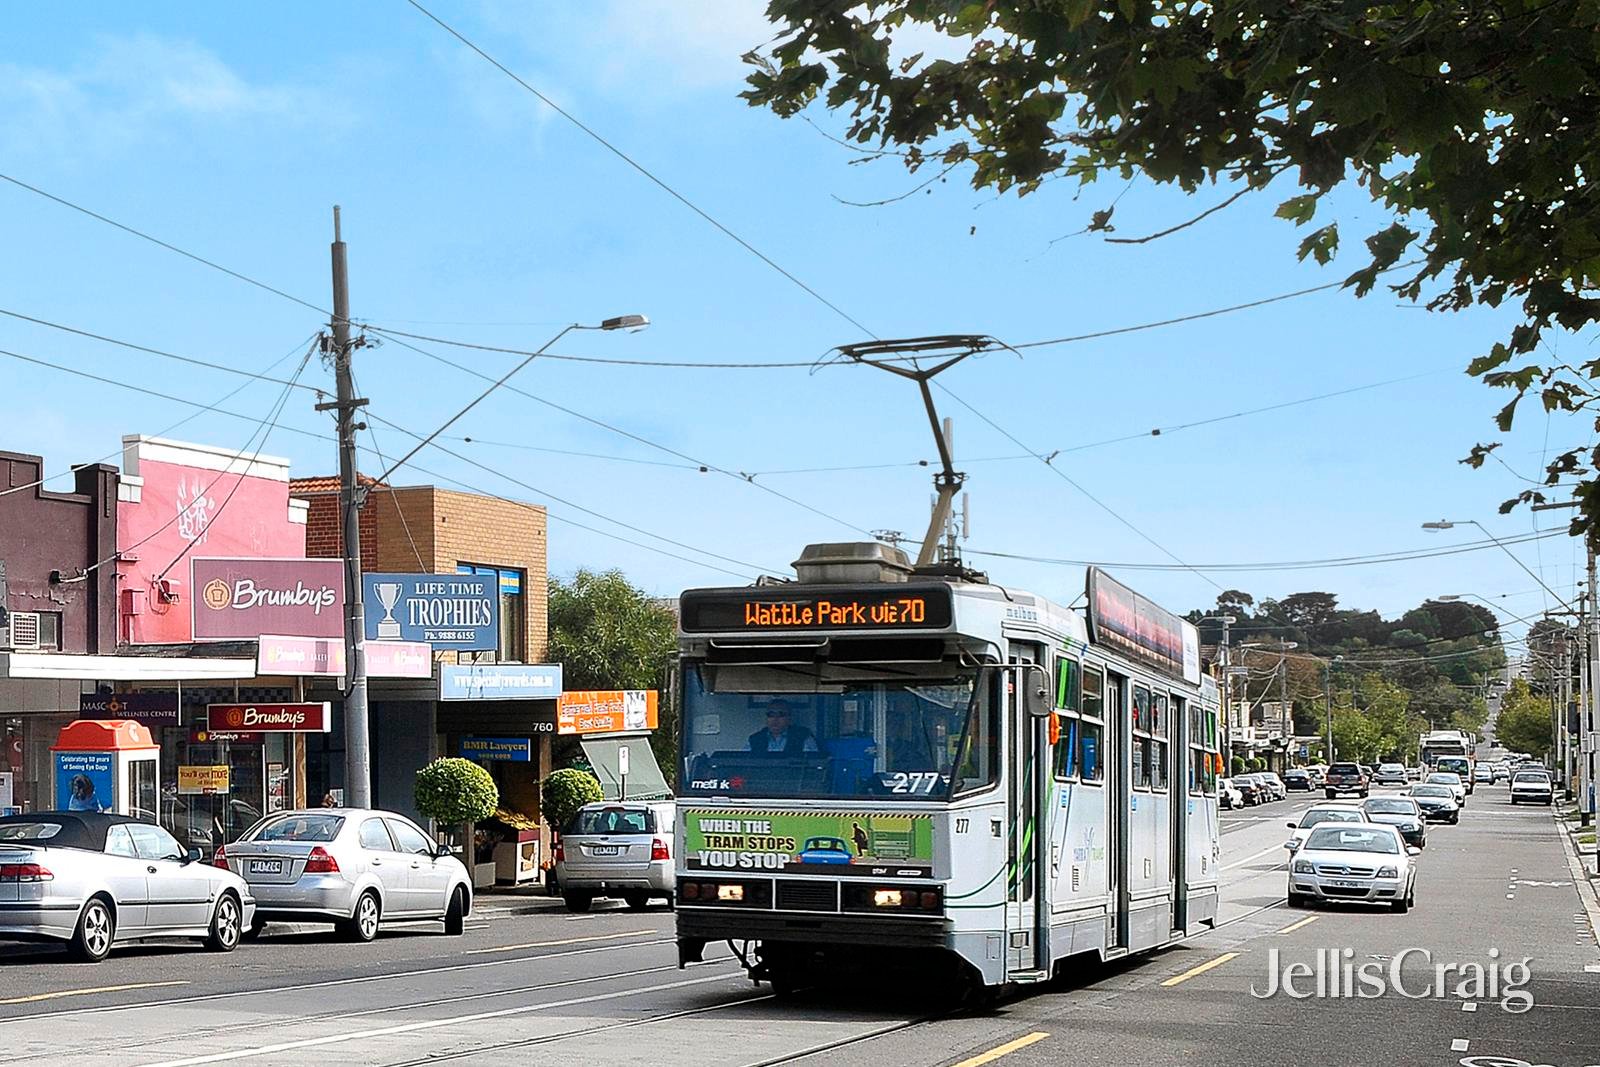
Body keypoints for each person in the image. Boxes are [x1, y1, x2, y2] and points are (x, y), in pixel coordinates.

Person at [747, 699, 818, 755]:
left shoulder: (803, 737)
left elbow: (814, 763)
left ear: (789, 718)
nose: (775, 718)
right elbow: (742, 762)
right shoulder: (755, 739)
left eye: (781, 714)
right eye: (771, 714)